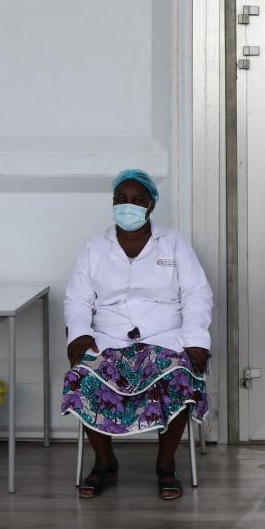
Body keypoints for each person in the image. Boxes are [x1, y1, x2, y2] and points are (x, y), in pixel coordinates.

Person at [62, 169, 212, 500]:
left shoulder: (173, 243)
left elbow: (197, 294)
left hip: (165, 337)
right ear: (112, 203)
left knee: (179, 377)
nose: (127, 206)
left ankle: (165, 466)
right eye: (121, 200)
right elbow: (77, 298)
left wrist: (196, 340)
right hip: (109, 338)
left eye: (136, 200)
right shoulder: (94, 248)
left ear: (151, 206)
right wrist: (80, 334)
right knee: (84, 378)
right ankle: (104, 463)